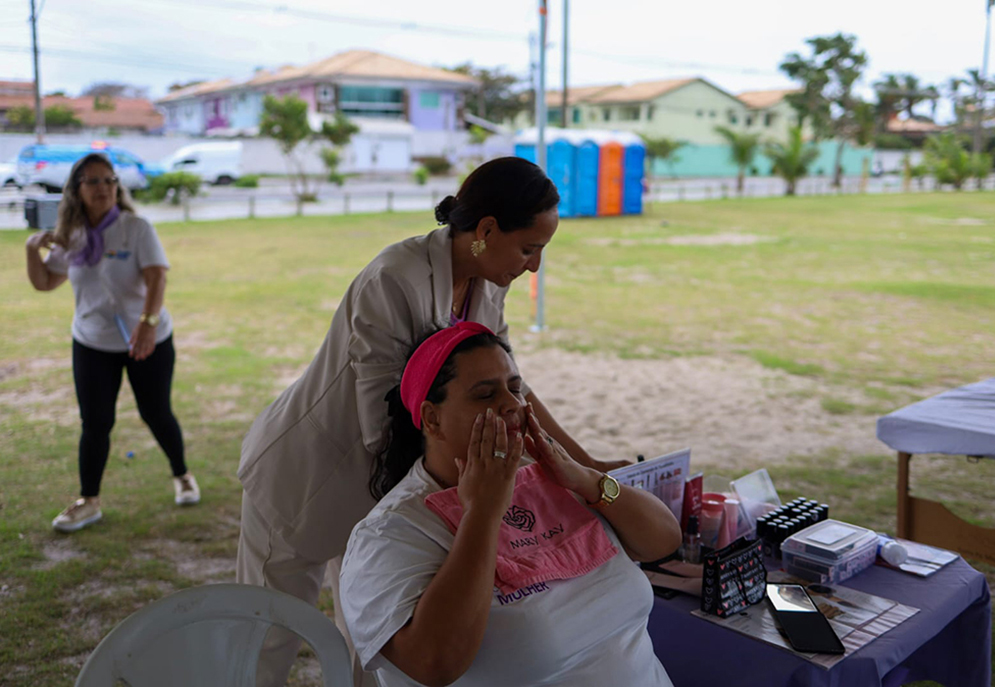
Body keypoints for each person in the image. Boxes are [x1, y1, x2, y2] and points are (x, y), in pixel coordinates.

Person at [237, 157, 619, 686]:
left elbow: (511, 387)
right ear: (485, 231)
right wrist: (456, 495)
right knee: (265, 641)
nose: (533, 267)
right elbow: (383, 417)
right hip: (310, 476)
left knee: (375, 653)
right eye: (529, 248)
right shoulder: (397, 278)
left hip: (388, 486)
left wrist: (582, 463)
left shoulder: (487, 280)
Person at [340, 322, 682, 686]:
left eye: (515, 389)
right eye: (485, 395)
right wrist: (483, 513)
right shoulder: (389, 533)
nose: (511, 405)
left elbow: (664, 540)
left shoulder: (549, 477)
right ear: (432, 418)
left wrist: (586, 478)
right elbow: (434, 663)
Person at [25, 152, 198, 533]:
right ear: (76, 189)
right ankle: (89, 501)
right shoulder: (70, 235)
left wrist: (148, 324)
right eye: (93, 181)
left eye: (109, 180)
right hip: (92, 342)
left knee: (156, 412)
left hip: (147, 338)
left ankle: (182, 474)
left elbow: (157, 278)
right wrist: (30, 250)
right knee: (96, 422)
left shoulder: (136, 228)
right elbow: (45, 282)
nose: (103, 188)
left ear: (117, 186)